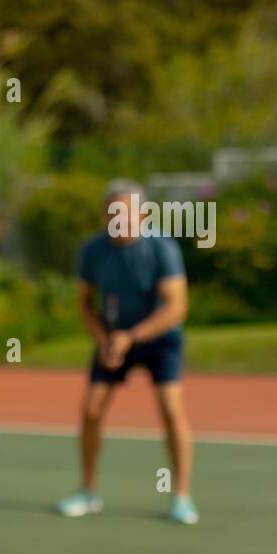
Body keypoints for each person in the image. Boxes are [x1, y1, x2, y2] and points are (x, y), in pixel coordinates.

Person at [57, 180, 199, 525]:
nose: (114, 220)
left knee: (170, 409)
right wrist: (105, 339)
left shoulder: (162, 248)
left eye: (122, 213)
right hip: (112, 339)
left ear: (144, 214)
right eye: (109, 213)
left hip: (159, 337)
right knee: (91, 410)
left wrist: (131, 337)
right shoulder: (92, 249)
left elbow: (175, 307)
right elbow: (85, 305)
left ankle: (181, 495)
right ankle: (87, 492)